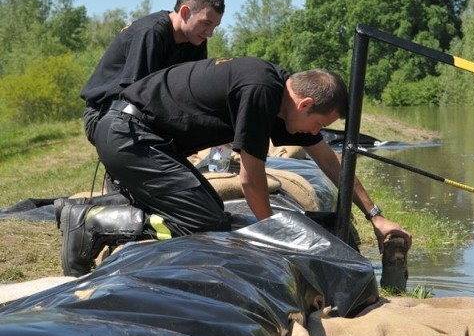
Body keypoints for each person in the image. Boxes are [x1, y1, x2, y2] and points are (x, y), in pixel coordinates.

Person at [59, 57, 412, 276]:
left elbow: (329, 161)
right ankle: (91, 222)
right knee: (205, 221)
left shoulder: (281, 103)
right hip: (128, 134)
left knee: (205, 211)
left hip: (144, 141)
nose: (317, 133)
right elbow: (251, 182)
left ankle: (90, 211)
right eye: (319, 124)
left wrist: (375, 215)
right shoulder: (260, 91)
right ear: (304, 103)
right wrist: (277, 236)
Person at [80, 0, 225, 145]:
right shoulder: (151, 32)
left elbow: (193, 94)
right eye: (206, 23)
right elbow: (136, 97)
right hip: (105, 113)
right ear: (185, 12)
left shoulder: (196, 40)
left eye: (215, 26)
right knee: (168, 161)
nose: (210, 33)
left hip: (140, 114)